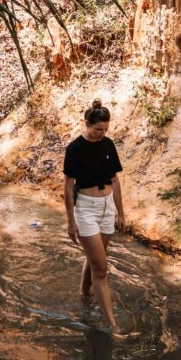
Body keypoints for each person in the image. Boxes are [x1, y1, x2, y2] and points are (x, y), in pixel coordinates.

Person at [63, 99, 125, 332]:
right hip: (86, 209)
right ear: (87, 123)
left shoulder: (108, 145)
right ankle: (112, 325)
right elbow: (68, 188)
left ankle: (83, 294)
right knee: (101, 269)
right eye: (98, 129)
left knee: (94, 259)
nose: (102, 134)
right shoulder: (75, 149)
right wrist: (71, 222)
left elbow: (115, 180)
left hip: (107, 207)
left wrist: (121, 213)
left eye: (105, 130)